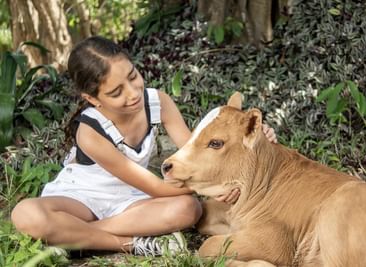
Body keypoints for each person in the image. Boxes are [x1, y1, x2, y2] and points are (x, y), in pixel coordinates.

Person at [11, 36, 278, 256]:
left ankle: (74, 235)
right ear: (92, 99)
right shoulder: (89, 132)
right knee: (25, 214)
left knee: (189, 209)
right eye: (116, 92)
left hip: (130, 203)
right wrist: (211, 188)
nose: (132, 93)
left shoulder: (157, 102)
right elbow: (154, 186)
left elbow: (193, 153)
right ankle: (130, 243)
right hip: (81, 197)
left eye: (133, 76)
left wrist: (252, 137)